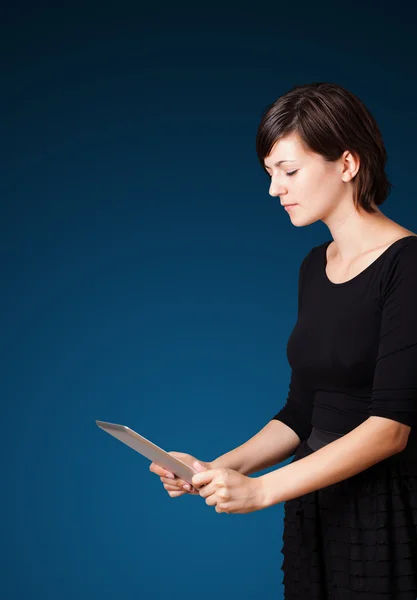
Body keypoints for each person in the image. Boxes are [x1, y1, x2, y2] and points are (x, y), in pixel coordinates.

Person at [150, 82, 417, 599]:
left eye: (289, 171)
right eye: (270, 174)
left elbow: (390, 428)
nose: (276, 190)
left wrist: (263, 490)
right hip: (317, 505)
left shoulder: (407, 267)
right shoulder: (314, 266)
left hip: (390, 514)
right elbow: (301, 412)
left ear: (347, 163)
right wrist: (215, 469)